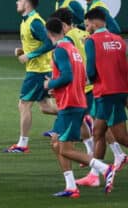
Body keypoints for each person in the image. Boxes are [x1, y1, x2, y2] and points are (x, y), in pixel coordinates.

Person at [44, 17, 116, 197]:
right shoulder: (73, 49)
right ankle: (71, 186)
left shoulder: (60, 50)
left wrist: (50, 84)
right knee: (55, 143)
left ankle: (105, 169)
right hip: (76, 100)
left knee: (64, 148)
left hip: (70, 104)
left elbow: (67, 76)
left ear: (48, 33)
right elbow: (82, 76)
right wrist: (58, 89)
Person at [78, 9, 128, 190]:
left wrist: (85, 80)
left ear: (96, 23)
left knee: (109, 135)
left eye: (88, 24)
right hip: (121, 90)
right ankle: (94, 175)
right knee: (108, 134)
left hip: (106, 92)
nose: (87, 28)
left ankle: (95, 175)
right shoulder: (119, 40)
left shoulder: (92, 41)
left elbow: (91, 70)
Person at [4, 0, 57, 153]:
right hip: (41, 70)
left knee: (24, 104)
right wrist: (23, 50)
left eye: (19, 0)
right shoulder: (26, 21)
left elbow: (50, 43)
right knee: (46, 108)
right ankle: (81, 115)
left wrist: (30, 55)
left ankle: (22, 144)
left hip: (37, 72)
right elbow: (36, 43)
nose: (17, 2)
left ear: (27, 3)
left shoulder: (34, 22)